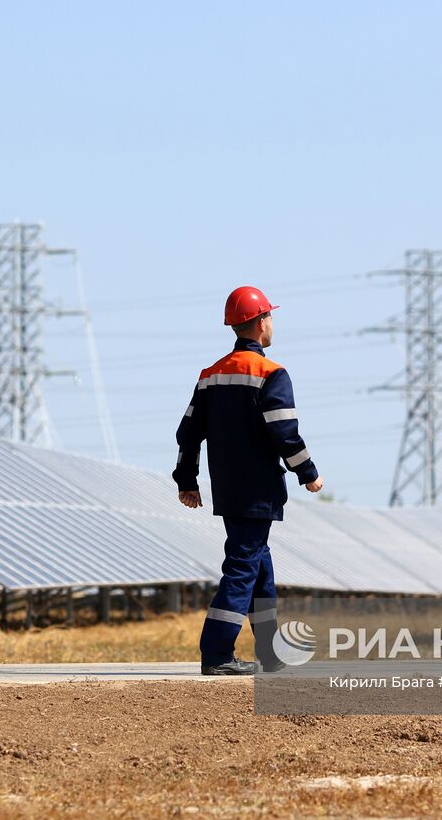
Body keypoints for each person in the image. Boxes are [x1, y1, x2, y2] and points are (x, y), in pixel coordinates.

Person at [173, 285, 324, 675]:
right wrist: (308, 472)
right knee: (242, 567)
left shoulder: (210, 376)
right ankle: (217, 653)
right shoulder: (271, 374)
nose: (272, 323)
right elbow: (284, 432)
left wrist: (187, 480)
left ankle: (271, 653)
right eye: (270, 317)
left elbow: (188, 433)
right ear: (259, 323)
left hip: (228, 489)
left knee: (259, 569)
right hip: (258, 491)